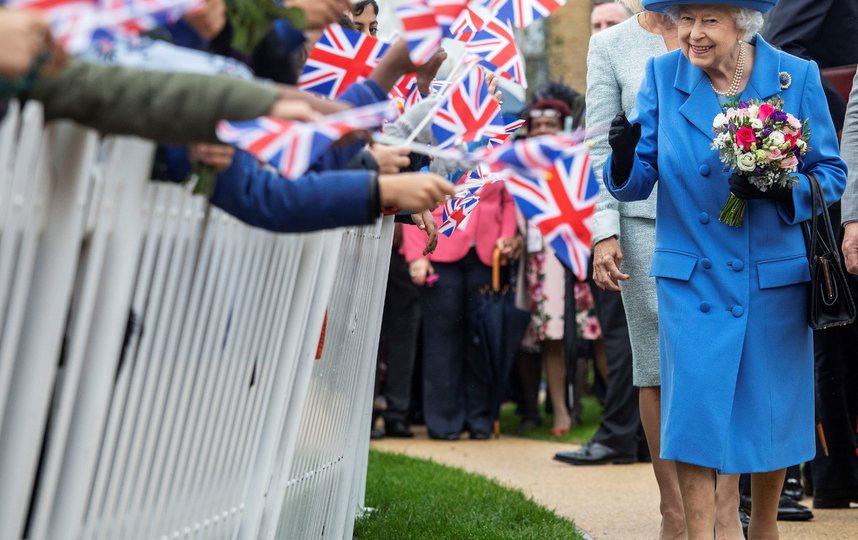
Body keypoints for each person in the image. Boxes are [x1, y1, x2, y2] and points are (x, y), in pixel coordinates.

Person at [606, 2, 848, 539]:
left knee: (770, 415)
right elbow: (639, 176)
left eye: (709, 21)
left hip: (771, 277)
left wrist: (786, 187)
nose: (693, 33)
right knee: (692, 416)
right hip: (692, 277)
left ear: (744, 23)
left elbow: (830, 173)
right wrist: (622, 159)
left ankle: (763, 527)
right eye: (686, 18)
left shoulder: (794, 76)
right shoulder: (662, 75)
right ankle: (699, 534)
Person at [766, 0, 858, 513]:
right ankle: (832, 472)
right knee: (833, 326)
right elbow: (782, 55)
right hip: (836, 168)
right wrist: (834, 110)